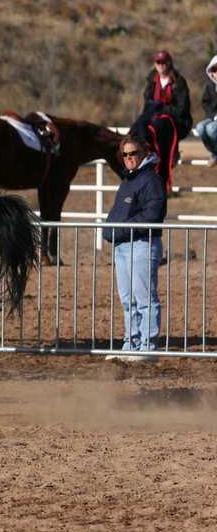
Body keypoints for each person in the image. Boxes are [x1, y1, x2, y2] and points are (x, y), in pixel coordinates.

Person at [102, 135, 166, 363]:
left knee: (144, 298)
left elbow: (153, 214)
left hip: (141, 245)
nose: (129, 158)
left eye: (133, 153)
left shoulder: (151, 180)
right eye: (125, 154)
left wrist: (119, 230)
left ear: (143, 154)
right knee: (128, 300)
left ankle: (148, 347)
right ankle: (131, 344)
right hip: (123, 246)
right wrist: (112, 231)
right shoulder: (129, 180)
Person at [130, 50, 192, 192]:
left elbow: (182, 109)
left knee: (160, 123)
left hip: (176, 120)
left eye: (164, 62)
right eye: (158, 62)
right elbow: (148, 103)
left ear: (169, 63)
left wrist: (163, 110)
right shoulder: (152, 80)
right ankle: (145, 154)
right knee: (139, 124)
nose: (162, 65)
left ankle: (165, 159)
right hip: (154, 116)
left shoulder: (179, 81)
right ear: (155, 64)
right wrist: (155, 111)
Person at [196, 54, 217, 168]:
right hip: (213, 118)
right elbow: (205, 102)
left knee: (211, 129)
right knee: (200, 127)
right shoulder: (210, 86)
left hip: (214, 123)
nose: (216, 72)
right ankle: (215, 152)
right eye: (214, 70)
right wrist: (214, 115)